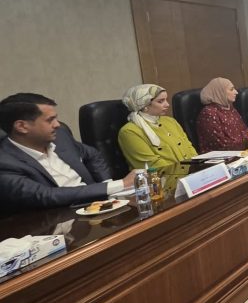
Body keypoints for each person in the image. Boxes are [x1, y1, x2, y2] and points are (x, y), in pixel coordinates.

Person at [0, 93, 136, 212]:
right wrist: (118, 185)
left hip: (99, 206)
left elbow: (92, 155)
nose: (57, 124)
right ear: (22, 126)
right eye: (50, 120)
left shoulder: (60, 136)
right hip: (57, 220)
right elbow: (46, 196)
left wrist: (109, 187)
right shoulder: (5, 163)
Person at [118, 84, 198, 176]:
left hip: (190, 174)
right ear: (145, 105)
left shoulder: (170, 121)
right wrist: (189, 174)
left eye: (166, 100)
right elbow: (153, 166)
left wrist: (199, 168)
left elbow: (189, 148)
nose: (167, 104)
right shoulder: (129, 132)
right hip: (162, 180)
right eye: (160, 101)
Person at [195, 77, 248, 153]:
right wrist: (246, 144)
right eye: (231, 89)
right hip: (220, 157)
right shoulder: (208, 113)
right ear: (220, 92)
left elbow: (244, 131)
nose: (236, 92)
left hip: (240, 153)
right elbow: (220, 144)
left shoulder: (231, 109)